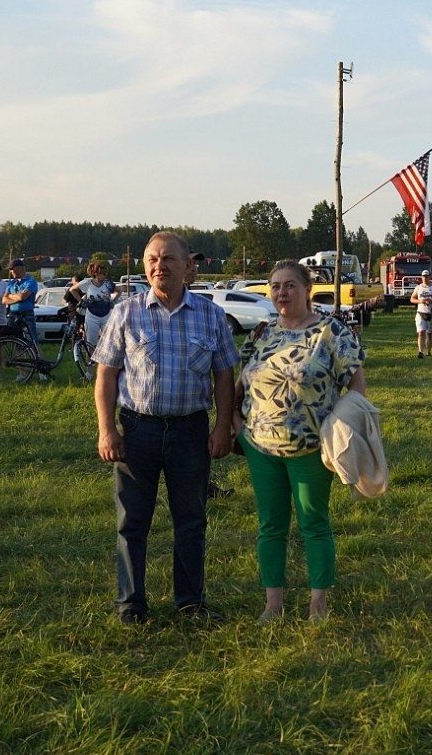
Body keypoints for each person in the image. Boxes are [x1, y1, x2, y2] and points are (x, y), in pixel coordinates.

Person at [94, 231, 239, 625]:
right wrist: (107, 431)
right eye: (152, 260)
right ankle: (130, 604)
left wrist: (223, 427)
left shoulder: (210, 315)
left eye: (168, 259)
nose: (160, 266)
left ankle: (190, 602)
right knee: (132, 523)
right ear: (145, 267)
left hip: (191, 432)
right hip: (136, 431)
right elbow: (106, 375)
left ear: (187, 266)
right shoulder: (126, 312)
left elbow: (225, 376)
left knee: (191, 521)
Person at [235, 260, 366, 623]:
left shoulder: (331, 332)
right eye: (275, 286)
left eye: (290, 285)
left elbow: (356, 386)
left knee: (313, 523)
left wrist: (339, 429)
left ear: (307, 290)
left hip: (311, 447)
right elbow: (241, 381)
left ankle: (317, 604)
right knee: (270, 525)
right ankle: (272, 604)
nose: (282, 293)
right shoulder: (261, 333)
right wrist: (236, 425)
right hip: (260, 447)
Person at [76, 261, 117, 346]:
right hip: (92, 316)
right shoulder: (88, 283)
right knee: (91, 343)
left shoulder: (108, 283)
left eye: (106, 273)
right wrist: (82, 301)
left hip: (106, 315)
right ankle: (89, 359)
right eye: (103, 273)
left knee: (108, 342)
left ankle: (105, 359)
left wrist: (112, 299)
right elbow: (72, 290)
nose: (105, 275)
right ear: (96, 274)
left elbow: (119, 291)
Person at [2, 258, 40, 346]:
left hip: (27, 314)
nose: (11, 272)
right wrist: (17, 297)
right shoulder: (11, 283)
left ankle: (38, 357)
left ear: (20, 268)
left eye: (12, 269)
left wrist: (11, 296)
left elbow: (23, 296)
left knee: (32, 339)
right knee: (15, 340)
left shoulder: (31, 281)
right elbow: (4, 300)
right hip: (13, 314)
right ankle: (19, 359)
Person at [410, 271, 432, 358]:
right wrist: (420, 301)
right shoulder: (418, 288)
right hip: (420, 313)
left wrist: (431, 301)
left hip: (431, 313)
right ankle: (420, 351)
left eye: (426, 276)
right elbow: (412, 299)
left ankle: (429, 352)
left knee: (429, 334)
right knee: (421, 332)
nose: (425, 278)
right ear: (421, 277)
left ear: (430, 277)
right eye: (423, 276)